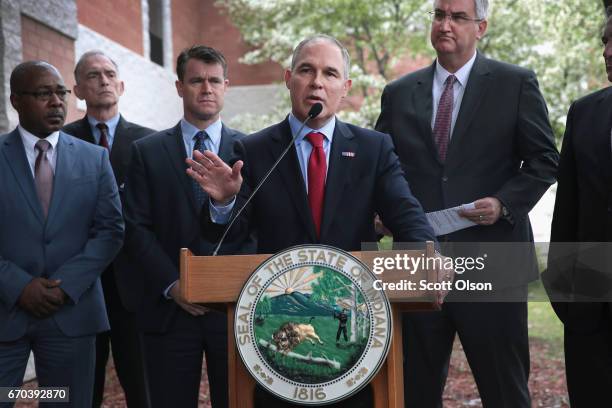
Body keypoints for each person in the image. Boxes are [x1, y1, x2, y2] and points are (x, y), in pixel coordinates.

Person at [188, 34, 438, 408]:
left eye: (329, 73)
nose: (317, 81)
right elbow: (231, 237)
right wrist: (225, 203)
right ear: (289, 78)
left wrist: (426, 257)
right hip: (275, 331)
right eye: (306, 70)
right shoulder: (253, 151)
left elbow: (406, 213)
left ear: (345, 88)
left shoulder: (374, 149)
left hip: (353, 326)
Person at [375, 0, 559, 406]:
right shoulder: (399, 93)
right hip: (419, 264)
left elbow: (546, 160)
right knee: (411, 393)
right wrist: (381, 214)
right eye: (439, 14)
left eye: (458, 17)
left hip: (493, 260)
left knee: (505, 391)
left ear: (481, 27)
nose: (445, 24)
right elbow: (382, 170)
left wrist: (503, 202)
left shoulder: (516, 83)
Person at [122, 45, 248, 408]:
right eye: (196, 80)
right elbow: (134, 226)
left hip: (231, 309)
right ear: (179, 87)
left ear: (225, 86)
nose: (205, 89)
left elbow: (257, 228)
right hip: (169, 311)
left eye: (213, 81)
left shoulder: (251, 149)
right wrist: (172, 284)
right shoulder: (146, 151)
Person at [0, 61, 124, 406]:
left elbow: (110, 231)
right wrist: (19, 286)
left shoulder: (95, 159)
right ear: (15, 100)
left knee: (64, 401)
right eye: (43, 93)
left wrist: (66, 285)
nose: (56, 101)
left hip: (71, 312)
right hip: (5, 311)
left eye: (60, 92)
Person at [62, 50, 154, 408]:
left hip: (135, 285)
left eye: (109, 73)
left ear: (122, 84)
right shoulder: (61, 141)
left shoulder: (150, 144)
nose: (103, 80)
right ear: (78, 90)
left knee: (141, 387)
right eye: (93, 75)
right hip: (81, 282)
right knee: (82, 389)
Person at [545, 8, 612, 406]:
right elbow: (566, 209)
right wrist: (564, 295)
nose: (608, 51)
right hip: (588, 308)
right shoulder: (584, 112)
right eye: (605, 40)